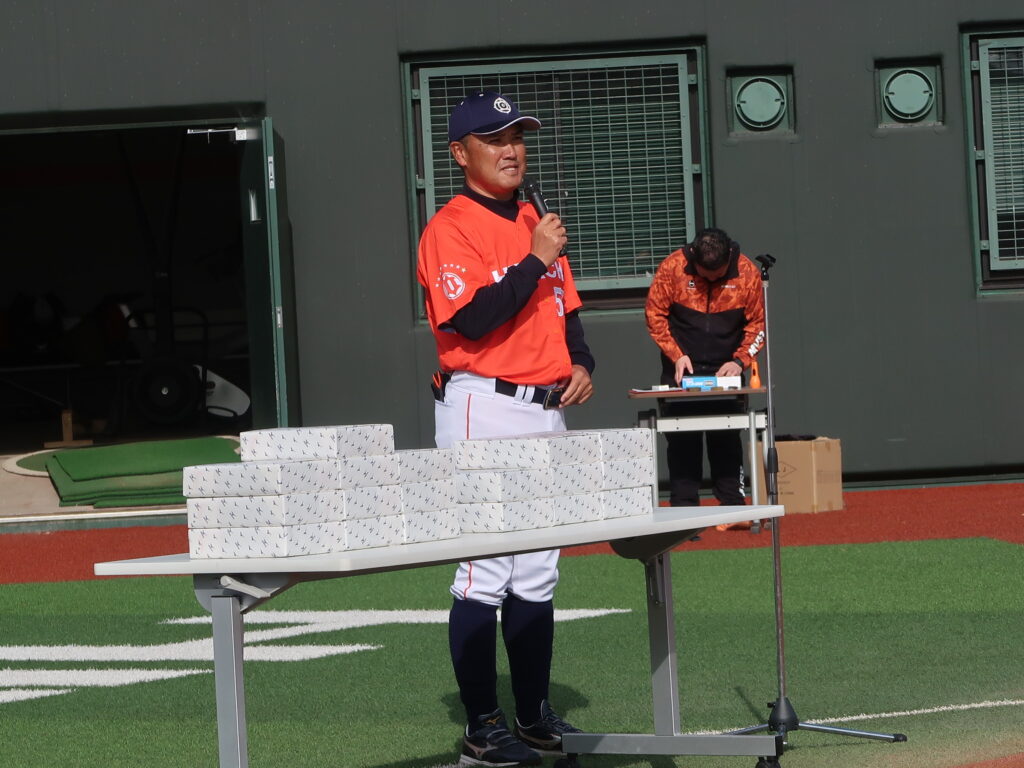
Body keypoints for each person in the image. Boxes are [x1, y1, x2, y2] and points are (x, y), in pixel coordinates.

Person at [416, 90, 595, 768]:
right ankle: (481, 725)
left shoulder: (533, 219)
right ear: (461, 153)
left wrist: (582, 361)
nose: (511, 148)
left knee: (538, 570)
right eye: (493, 138)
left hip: (544, 407)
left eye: (517, 135)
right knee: (485, 570)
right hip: (482, 406)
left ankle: (533, 714)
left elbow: (565, 309)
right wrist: (534, 258)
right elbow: (469, 318)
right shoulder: (451, 227)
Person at [644, 227, 765, 508]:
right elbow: (654, 314)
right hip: (681, 371)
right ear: (694, 257)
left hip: (727, 370)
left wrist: (739, 361)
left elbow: (758, 324)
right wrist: (676, 355)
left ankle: (733, 508)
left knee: (727, 439)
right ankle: (684, 511)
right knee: (682, 442)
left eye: (717, 275)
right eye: (704, 275)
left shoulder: (747, 272)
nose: (711, 280)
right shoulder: (672, 267)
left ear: (728, 259)